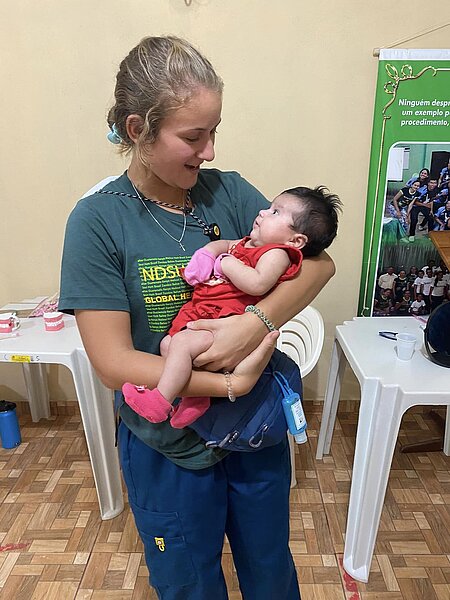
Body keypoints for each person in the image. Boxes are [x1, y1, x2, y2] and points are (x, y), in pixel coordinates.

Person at [59, 36, 335, 600]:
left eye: (214, 132)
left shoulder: (229, 194)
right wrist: (232, 380)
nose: (209, 151)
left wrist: (252, 324)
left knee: (269, 570)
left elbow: (318, 264)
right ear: (137, 129)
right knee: (190, 584)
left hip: (253, 436)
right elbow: (113, 363)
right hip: (168, 443)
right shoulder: (97, 222)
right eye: (192, 136)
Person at [122, 186, 341, 428]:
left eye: (276, 212)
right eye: (270, 207)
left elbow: (257, 284)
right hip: (204, 314)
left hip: (226, 321)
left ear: (296, 240)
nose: (263, 212)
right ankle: (196, 398)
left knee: (181, 344)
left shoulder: (276, 254)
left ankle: (160, 401)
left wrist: (226, 264)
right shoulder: (248, 243)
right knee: (168, 344)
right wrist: (208, 253)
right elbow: (225, 244)